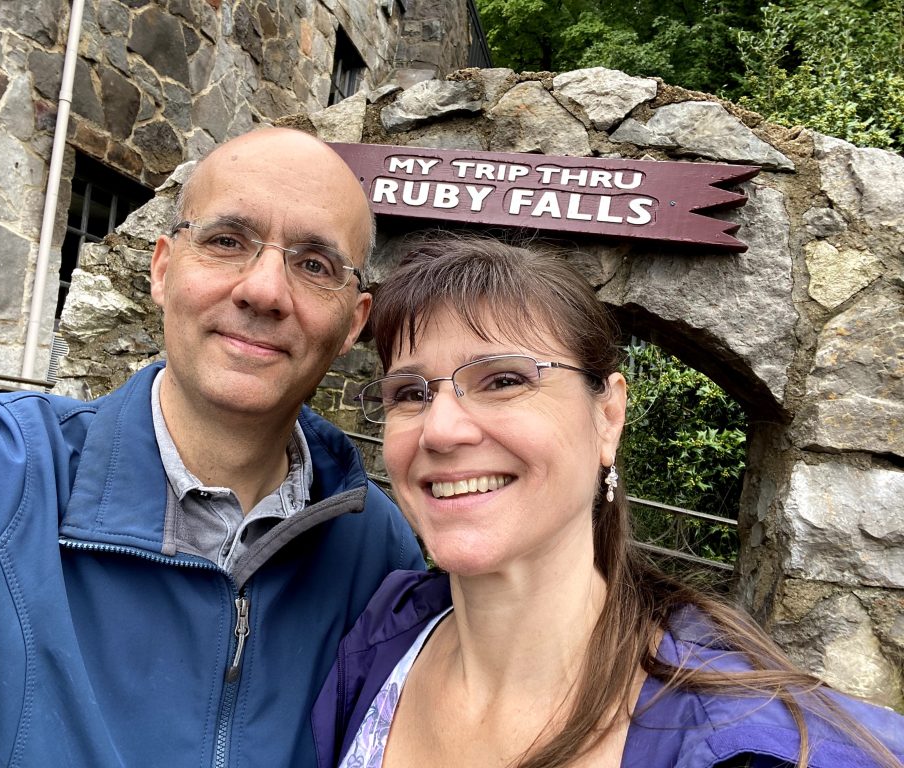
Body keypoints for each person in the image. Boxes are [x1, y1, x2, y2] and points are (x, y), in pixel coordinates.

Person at [0, 127, 424, 767]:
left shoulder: (378, 555)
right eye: (227, 241)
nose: (264, 291)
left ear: (353, 323)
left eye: (314, 265)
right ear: (162, 268)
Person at [311, 233, 904, 768]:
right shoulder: (375, 641)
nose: (441, 431)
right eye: (410, 393)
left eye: (504, 380)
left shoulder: (759, 745)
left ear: (608, 415)